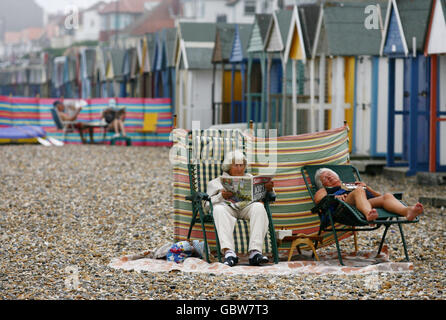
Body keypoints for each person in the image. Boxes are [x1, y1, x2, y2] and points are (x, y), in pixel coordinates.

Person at [206, 150, 274, 267]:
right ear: (228, 167)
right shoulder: (217, 182)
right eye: (235, 165)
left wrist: (268, 189)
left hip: (246, 207)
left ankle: (255, 253)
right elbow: (207, 206)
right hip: (227, 209)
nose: (239, 168)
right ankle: (229, 253)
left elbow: (272, 197)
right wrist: (220, 196)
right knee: (218, 210)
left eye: (241, 165)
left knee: (259, 207)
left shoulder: (251, 178)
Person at [313, 168, 424, 222]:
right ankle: (368, 214)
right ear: (322, 183)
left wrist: (369, 188)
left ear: (336, 175)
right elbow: (318, 200)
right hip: (343, 207)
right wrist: (334, 197)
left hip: (363, 203)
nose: (329, 177)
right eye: (325, 178)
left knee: (387, 196)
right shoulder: (324, 190)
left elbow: (377, 197)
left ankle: (407, 211)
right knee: (358, 191)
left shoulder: (350, 184)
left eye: (330, 174)